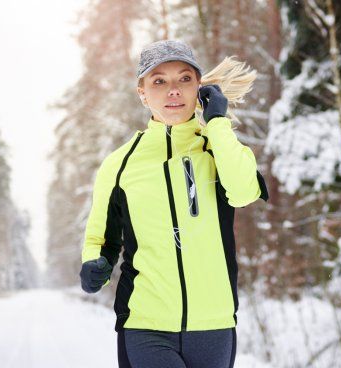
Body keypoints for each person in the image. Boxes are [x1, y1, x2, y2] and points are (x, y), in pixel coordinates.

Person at [78, 39, 269, 368]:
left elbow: (243, 192)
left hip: (214, 325)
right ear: (142, 92)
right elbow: (103, 237)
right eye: (159, 81)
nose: (173, 90)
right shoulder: (120, 164)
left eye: (184, 79)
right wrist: (95, 265)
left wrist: (219, 123)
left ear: (199, 88)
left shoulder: (218, 147)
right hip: (146, 323)